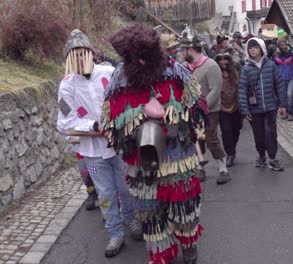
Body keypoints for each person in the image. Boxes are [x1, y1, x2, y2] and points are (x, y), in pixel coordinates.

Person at [101, 24, 205, 264]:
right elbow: (108, 120)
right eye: (133, 58)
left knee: (183, 208)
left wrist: (171, 116)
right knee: (150, 214)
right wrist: (135, 120)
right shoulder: (119, 77)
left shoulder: (176, 72)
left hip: (177, 157)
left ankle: (188, 245)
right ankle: (161, 254)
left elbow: (198, 108)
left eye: (144, 56)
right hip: (140, 162)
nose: (139, 62)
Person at [56, 29, 141, 257]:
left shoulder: (109, 73)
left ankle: (130, 219)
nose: (81, 58)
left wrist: (121, 121)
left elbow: (125, 100)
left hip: (119, 146)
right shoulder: (67, 86)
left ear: (91, 53)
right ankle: (115, 233)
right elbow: (65, 121)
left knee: (125, 187)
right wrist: (94, 126)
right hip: (92, 151)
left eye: (84, 53)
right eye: (76, 54)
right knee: (105, 193)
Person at [180, 31, 231, 185]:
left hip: (210, 110)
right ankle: (201, 168)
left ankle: (223, 170)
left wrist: (201, 108)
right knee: (195, 139)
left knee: (210, 138)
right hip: (190, 110)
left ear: (190, 50)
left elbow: (215, 90)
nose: (181, 53)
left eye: (182, 50)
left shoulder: (211, 65)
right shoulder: (183, 67)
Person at [238, 37, 287, 171]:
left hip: (270, 107)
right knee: (259, 134)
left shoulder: (270, 65)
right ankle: (261, 155)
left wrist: (283, 104)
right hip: (255, 109)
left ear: (261, 49)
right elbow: (242, 90)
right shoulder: (246, 69)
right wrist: (245, 110)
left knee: (271, 133)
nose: (252, 50)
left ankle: (272, 158)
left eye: (255, 47)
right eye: (250, 48)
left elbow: (280, 84)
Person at [215, 51, 242, 167]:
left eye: (226, 64)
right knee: (226, 131)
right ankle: (229, 154)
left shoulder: (235, 72)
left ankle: (233, 148)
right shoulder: (215, 74)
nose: (223, 66)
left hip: (235, 106)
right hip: (222, 107)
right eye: (221, 65)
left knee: (236, 130)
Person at [275, 39, 293, 121]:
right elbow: (273, 68)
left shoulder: (292, 53)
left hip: (291, 77)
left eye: (285, 45)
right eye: (282, 45)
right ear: (279, 46)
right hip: (281, 78)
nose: (284, 47)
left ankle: (290, 113)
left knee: (289, 95)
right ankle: (285, 112)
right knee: (283, 96)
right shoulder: (277, 55)